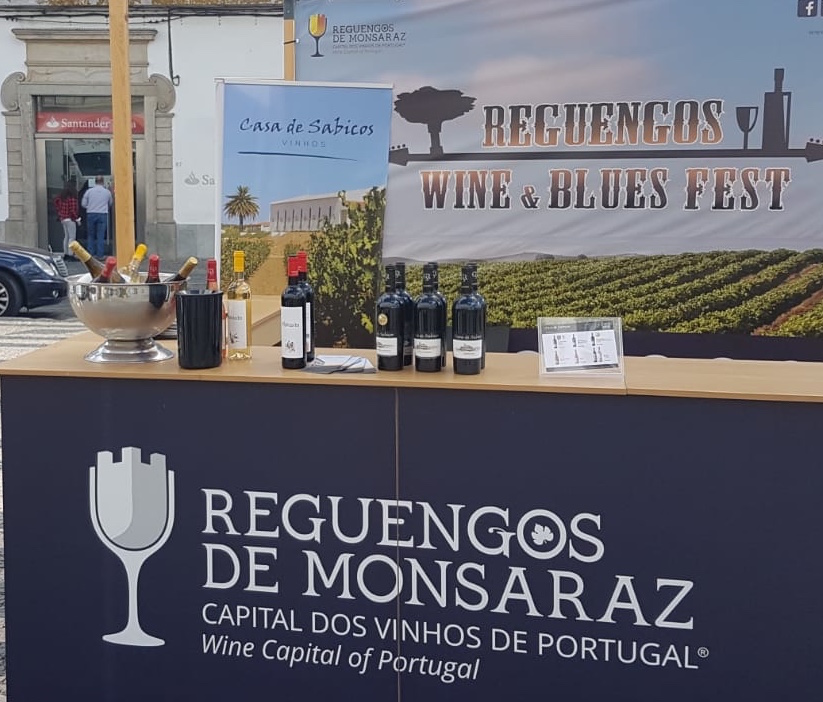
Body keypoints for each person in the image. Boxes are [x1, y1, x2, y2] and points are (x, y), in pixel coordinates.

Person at [81, 176, 113, 257]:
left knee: (91, 235)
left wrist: (89, 207)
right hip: (102, 214)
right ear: (103, 182)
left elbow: (83, 204)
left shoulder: (89, 191)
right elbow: (110, 203)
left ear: (95, 182)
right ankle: (100, 254)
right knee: (100, 235)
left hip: (91, 213)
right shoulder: (107, 192)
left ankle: (90, 254)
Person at [54, 183, 80, 257]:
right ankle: (70, 253)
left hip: (63, 219)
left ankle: (65, 253)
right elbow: (73, 211)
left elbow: (57, 205)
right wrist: (77, 219)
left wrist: (60, 214)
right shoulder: (72, 199)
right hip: (70, 219)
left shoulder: (61, 198)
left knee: (66, 236)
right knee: (72, 237)